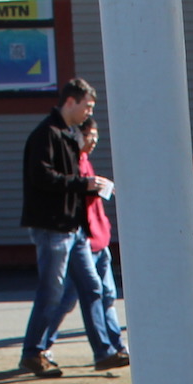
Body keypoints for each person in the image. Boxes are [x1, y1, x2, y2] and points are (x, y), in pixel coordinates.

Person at [18, 77, 122, 379]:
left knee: (92, 288)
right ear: (70, 102)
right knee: (51, 291)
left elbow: (67, 180)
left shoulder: (68, 135)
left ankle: (104, 352)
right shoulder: (47, 135)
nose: (88, 113)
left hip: (73, 228)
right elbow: (42, 178)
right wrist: (83, 184)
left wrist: (90, 187)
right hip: (52, 227)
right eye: (86, 107)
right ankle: (33, 352)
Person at [53, 118, 128, 368]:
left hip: (100, 238)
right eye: (89, 136)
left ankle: (116, 345)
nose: (93, 141)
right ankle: (42, 345)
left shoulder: (86, 161)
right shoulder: (73, 163)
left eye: (96, 136)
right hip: (84, 242)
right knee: (68, 299)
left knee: (107, 295)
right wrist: (91, 186)